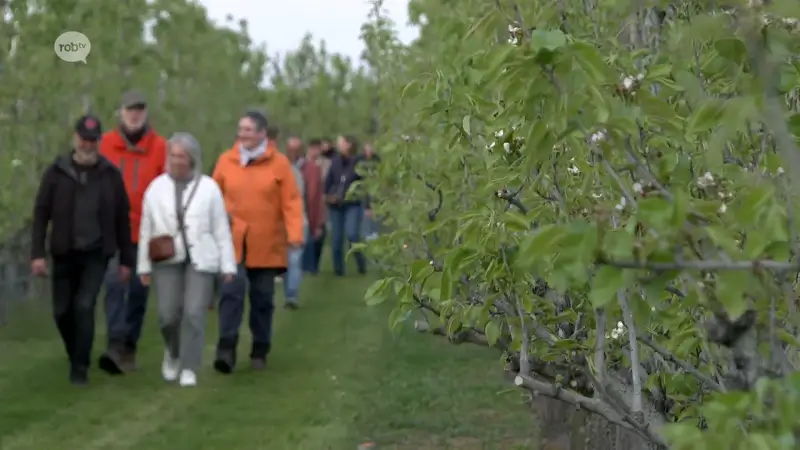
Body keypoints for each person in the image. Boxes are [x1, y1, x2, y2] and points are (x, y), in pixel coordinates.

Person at [30, 115, 134, 385]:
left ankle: (80, 367)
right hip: (64, 251)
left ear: (99, 141)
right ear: (75, 138)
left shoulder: (110, 175)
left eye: (93, 141)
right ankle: (76, 352)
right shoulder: (56, 172)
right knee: (62, 312)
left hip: (95, 253)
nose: (88, 145)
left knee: (84, 305)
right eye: (84, 140)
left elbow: (123, 218)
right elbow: (41, 213)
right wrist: (37, 253)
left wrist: (126, 259)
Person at [137, 133, 237, 387]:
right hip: (167, 257)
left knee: (194, 313)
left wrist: (228, 265)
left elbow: (220, 229)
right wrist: (143, 267)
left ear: (192, 159)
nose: (176, 160)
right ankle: (173, 352)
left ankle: (189, 366)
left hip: (201, 258)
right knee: (167, 315)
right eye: (172, 155)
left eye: (181, 156)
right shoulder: (156, 188)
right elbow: (145, 229)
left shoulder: (209, 188)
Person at [212, 111, 305, 372]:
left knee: (262, 299)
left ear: (263, 133)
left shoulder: (279, 164)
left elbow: (291, 202)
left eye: (249, 130)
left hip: (267, 243)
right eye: (240, 129)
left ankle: (260, 349)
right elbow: (213, 197)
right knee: (231, 294)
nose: (243, 134)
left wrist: (295, 234)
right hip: (232, 242)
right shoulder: (226, 161)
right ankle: (226, 349)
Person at [97, 90, 167, 374]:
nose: (134, 115)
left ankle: (129, 346)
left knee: (138, 291)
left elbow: (165, 187)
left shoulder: (159, 146)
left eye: (139, 109)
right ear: (120, 112)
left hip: (146, 231)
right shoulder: (106, 145)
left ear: (146, 113)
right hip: (112, 230)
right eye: (129, 109)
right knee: (114, 284)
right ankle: (114, 344)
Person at [285, 137, 324, 305]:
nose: (293, 152)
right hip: (283, 220)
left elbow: (315, 198)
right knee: (285, 260)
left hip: (301, 219)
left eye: (296, 149)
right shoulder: (280, 167)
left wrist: (317, 223)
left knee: (294, 259)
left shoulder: (311, 170)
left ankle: (291, 295)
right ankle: (289, 291)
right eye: (290, 149)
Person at [324, 135, 367, 276]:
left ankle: (361, 263)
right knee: (336, 238)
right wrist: (327, 195)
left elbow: (364, 182)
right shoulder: (335, 161)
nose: (338, 144)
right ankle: (339, 270)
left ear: (349, 145)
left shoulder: (358, 162)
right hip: (336, 204)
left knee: (352, 235)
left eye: (341, 142)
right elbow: (328, 181)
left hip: (352, 203)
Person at [301, 139, 328, 274]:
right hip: (307, 201)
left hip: (320, 201)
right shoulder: (303, 165)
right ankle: (309, 266)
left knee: (318, 236)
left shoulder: (324, 164)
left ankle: (313, 265)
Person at [360, 143, 380, 241]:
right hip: (365, 188)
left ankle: (375, 233)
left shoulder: (377, 160)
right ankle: (367, 234)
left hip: (376, 188)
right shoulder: (361, 161)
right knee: (366, 213)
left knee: (376, 212)